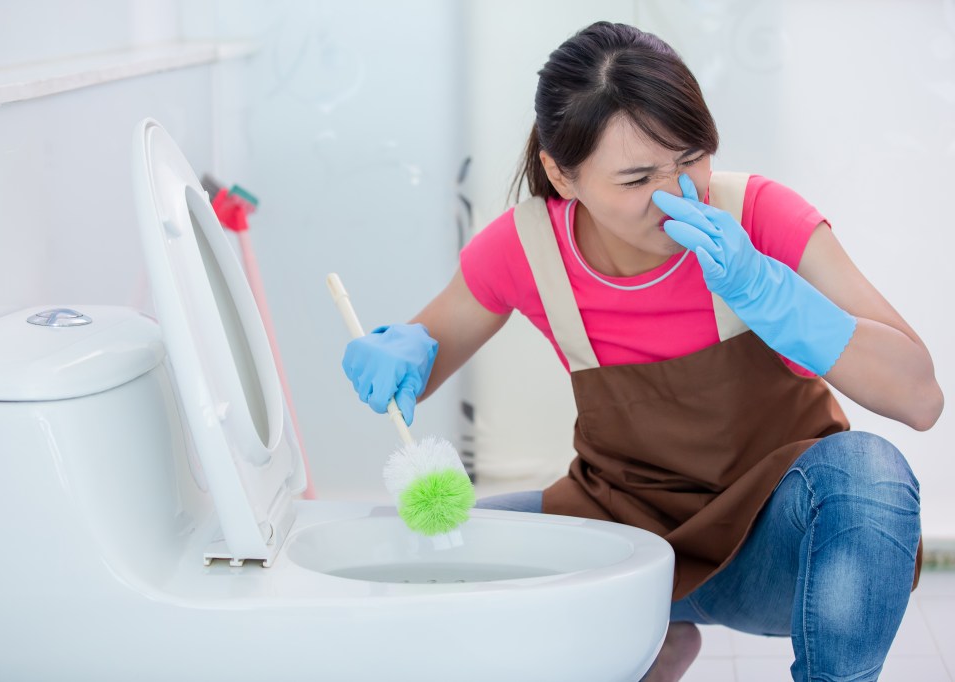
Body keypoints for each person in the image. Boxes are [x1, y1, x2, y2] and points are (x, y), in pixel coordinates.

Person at [341, 21, 943, 682]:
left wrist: (772, 295)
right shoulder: (528, 247)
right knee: (413, 549)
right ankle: (649, 643)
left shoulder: (760, 217)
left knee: (869, 471)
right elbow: (428, 353)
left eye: (691, 159)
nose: (677, 195)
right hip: (621, 539)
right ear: (561, 174)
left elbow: (919, 399)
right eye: (635, 179)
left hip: (769, 549)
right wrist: (407, 350)